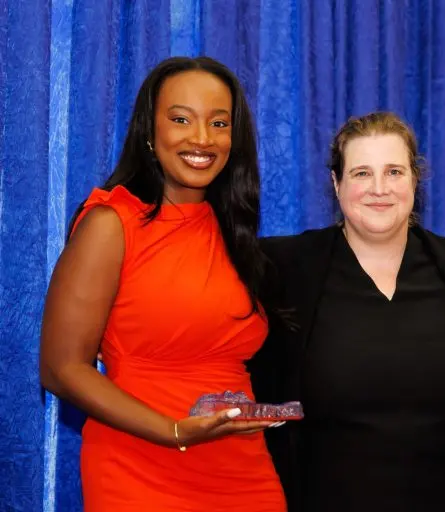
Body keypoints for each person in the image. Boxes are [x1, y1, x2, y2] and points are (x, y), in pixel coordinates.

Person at [39, 56, 286, 511]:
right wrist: (172, 430)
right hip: (138, 468)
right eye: (180, 119)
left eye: (219, 123)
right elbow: (60, 368)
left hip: (241, 471)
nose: (202, 138)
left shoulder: (234, 233)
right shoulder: (111, 224)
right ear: (149, 134)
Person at [249, 111, 445, 512]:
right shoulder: (283, 267)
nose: (379, 189)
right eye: (362, 173)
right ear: (336, 183)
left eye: (395, 172)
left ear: (415, 181)